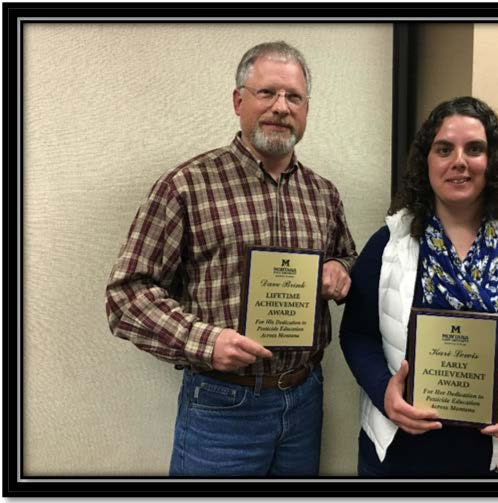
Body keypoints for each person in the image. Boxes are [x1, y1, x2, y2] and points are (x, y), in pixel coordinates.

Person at [106, 41, 357, 477]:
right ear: (239, 100)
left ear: (306, 109)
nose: (281, 107)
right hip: (222, 405)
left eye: (293, 97)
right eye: (267, 93)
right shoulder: (186, 186)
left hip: (304, 399)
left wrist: (340, 269)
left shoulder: (323, 194)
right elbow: (127, 295)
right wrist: (203, 342)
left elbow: (345, 255)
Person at [339, 96, 498, 477]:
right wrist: (383, 391)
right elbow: (357, 334)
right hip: (402, 453)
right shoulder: (390, 242)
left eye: (475, 149)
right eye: (444, 149)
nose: (459, 161)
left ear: (494, 161)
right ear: (427, 162)